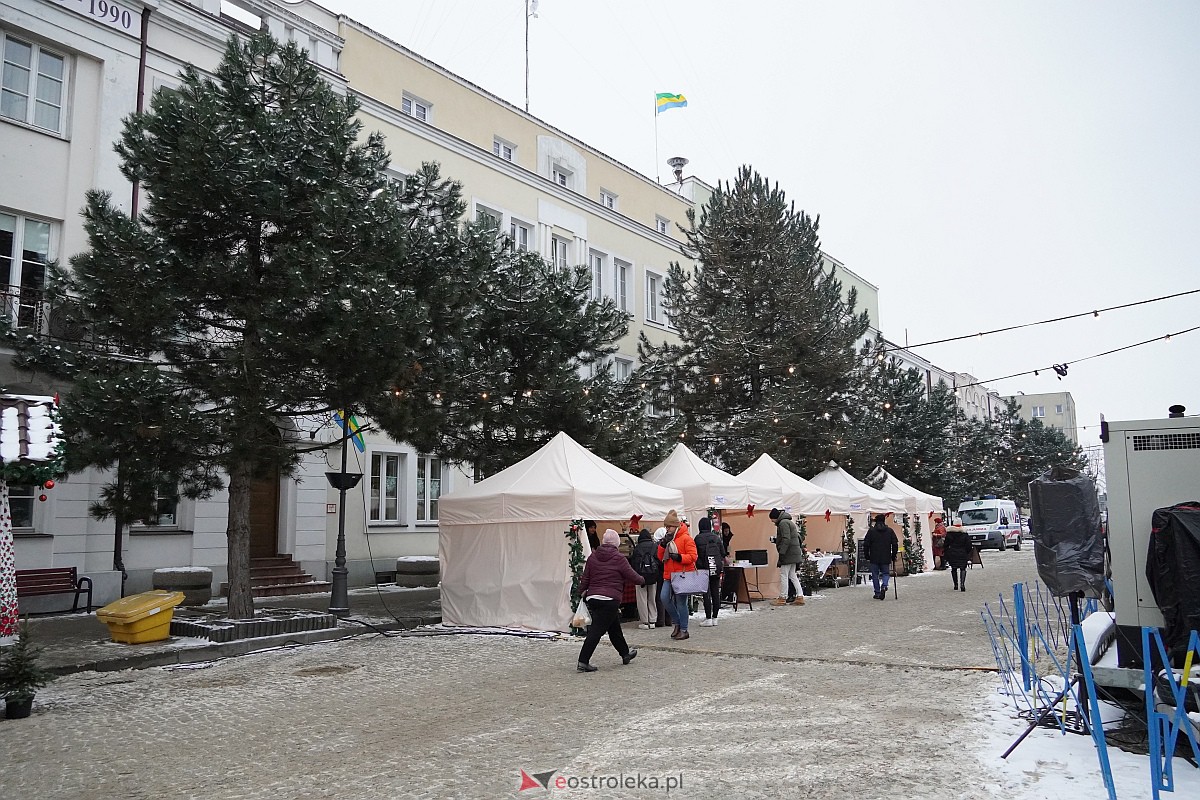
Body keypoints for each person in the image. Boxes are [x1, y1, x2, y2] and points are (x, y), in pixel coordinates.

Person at [577, 529, 645, 672]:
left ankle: (625, 654)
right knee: (596, 631)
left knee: (614, 628)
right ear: (616, 543)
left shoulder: (593, 557)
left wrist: (581, 592)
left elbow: (586, 577)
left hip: (593, 598)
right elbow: (631, 575)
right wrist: (642, 580)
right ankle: (583, 661)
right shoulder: (619, 558)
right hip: (610, 599)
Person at [657, 509, 697, 640]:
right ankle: (677, 622)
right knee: (664, 598)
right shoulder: (668, 539)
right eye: (666, 527)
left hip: (682, 575)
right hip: (669, 575)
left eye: (669, 526)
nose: (667, 529)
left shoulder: (686, 538)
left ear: (675, 526)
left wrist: (679, 557)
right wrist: (662, 545)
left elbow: (693, 556)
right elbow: (660, 557)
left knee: (681, 603)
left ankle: (684, 629)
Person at [769, 508, 805, 606]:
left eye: (772, 519)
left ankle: (783, 597)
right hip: (793, 552)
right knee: (792, 575)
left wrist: (782, 552)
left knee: (784, 575)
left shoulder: (783, 523)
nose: (772, 521)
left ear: (775, 517)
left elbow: (786, 539)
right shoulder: (788, 522)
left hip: (788, 553)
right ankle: (800, 596)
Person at [693, 516, 725, 626]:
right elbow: (722, 553)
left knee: (706, 593)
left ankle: (708, 618)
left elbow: (695, 554)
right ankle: (715, 617)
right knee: (715, 592)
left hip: (703, 569)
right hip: (715, 567)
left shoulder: (698, 539)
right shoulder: (716, 538)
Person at [630, 528, 661, 629]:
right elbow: (659, 561)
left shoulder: (637, 548)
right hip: (653, 576)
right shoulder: (654, 546)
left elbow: (634, 563)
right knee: (652, 598)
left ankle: (645, 622)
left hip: (640, 577)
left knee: (642, 599)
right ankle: (652, 620)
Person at [862, 514, 899, 600]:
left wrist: (866, 555)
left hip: (874, 556)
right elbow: (895, 544)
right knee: (886, 573)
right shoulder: (889, 531)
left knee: (875, 575)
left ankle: (877, 592)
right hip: (886, 556)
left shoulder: (871, 531)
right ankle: (884, 585)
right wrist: (893, 555)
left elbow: (866, 544)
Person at [942, 523, 972, 592]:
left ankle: (955, 584)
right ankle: (962, 584)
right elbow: (969, 545)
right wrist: (966, 552)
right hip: (962, 553)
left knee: (954, 568)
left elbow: (945, 545)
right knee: (963, 568)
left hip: (952, 553)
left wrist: (947, 553)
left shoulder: (949, 534)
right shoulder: (964, 534)